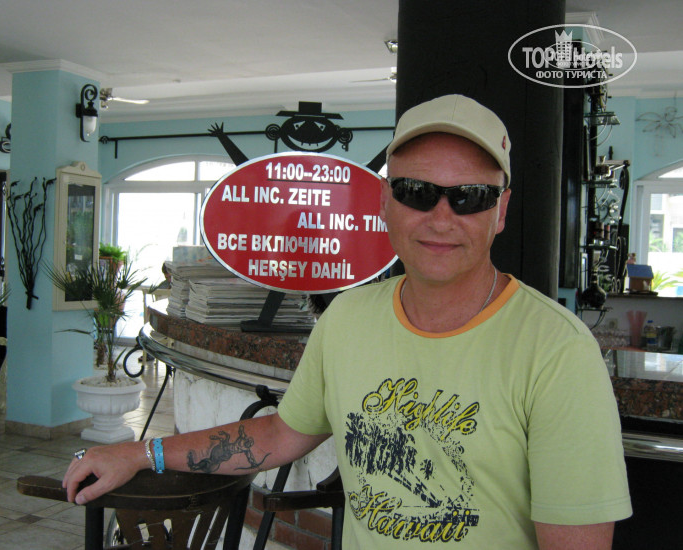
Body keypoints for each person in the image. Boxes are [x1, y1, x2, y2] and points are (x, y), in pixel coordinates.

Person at [64, 95, 631, 549]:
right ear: (385, 201)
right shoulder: (349, 319)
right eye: (416, 191)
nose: (441, 218)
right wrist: (141, 453)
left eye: (470, 197)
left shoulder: (557, 352)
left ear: (501, 210)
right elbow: (281, 435)